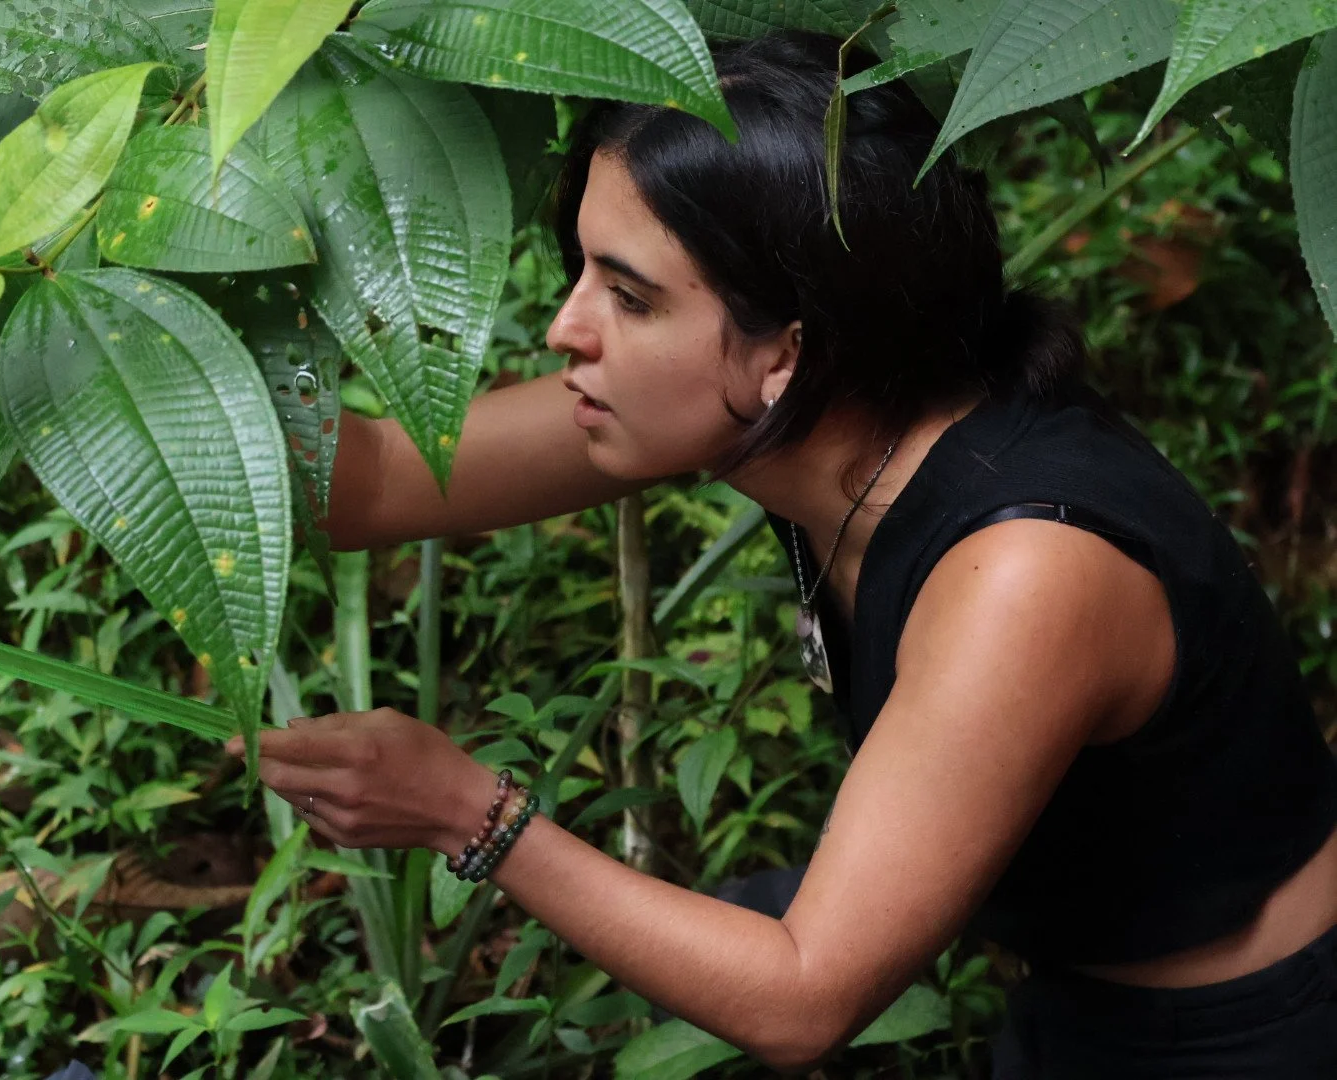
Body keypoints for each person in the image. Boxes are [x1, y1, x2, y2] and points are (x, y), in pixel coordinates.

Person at [238, 30, 1337, 1077]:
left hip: (1251, 1028)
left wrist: (464, 811)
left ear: (787, 353)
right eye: (584, 273)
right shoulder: (828, 415)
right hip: (1076, 987)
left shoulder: (1023, 571)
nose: (566, 329)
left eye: (628, 296)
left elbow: (801, 1000)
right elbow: (366, 482)